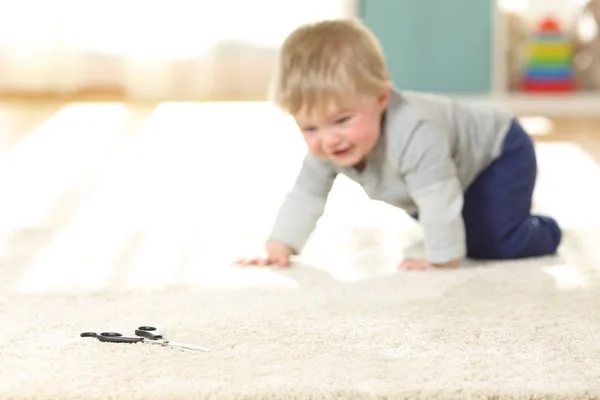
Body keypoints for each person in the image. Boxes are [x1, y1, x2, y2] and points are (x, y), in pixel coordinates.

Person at [235, 18, 562, 271]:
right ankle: (502, 209)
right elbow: (306, 193)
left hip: (498, 151)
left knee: (494, 242)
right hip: (445, 176)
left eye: (342, 120)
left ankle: (544, 228)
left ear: (381, 97)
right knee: (453, 220)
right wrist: (280, 247)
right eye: (309, 127)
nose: (328, 139)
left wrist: (441, 261)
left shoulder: (415, 131)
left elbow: (438, 198)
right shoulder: (327, 145)